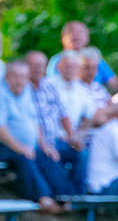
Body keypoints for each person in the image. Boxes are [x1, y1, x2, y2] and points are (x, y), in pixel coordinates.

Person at [0, 61, 74, 213]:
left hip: (22, 145)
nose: (20, 80)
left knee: (48, 155)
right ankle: (43, 199)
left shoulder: (26, 90)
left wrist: (43, 144)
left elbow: (34, 121)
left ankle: (65, 197)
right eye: (16, 76)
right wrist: (20, 148)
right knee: (24, 157)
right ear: (7, 77)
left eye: (24, 77)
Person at [26, 51, 84, 193]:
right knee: (50, 157)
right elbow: (32, 121)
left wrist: (72, 136)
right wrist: (44, 145)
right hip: (36, 144)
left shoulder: (49, 86)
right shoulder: (23, 89)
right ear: (26, 67)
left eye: (41, 65)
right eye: (33, 65)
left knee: (82, 152)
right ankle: (68, 197)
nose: (38, 68)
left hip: (55, 140)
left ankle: (80, 194)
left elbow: (63, 114)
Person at [46, 21, 118, 93]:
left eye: (80, 32)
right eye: (71, 31)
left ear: (87, 37)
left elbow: (114, 83)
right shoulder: (57, 61)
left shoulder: (96, 59)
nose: (76, 35)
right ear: (62, 38)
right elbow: (51, 86)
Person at [79, 47, 113, 112]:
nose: (91, 72)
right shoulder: (74, 88)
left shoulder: (97, 86)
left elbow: (112, 105)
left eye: (94, 67)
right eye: (87, 68)